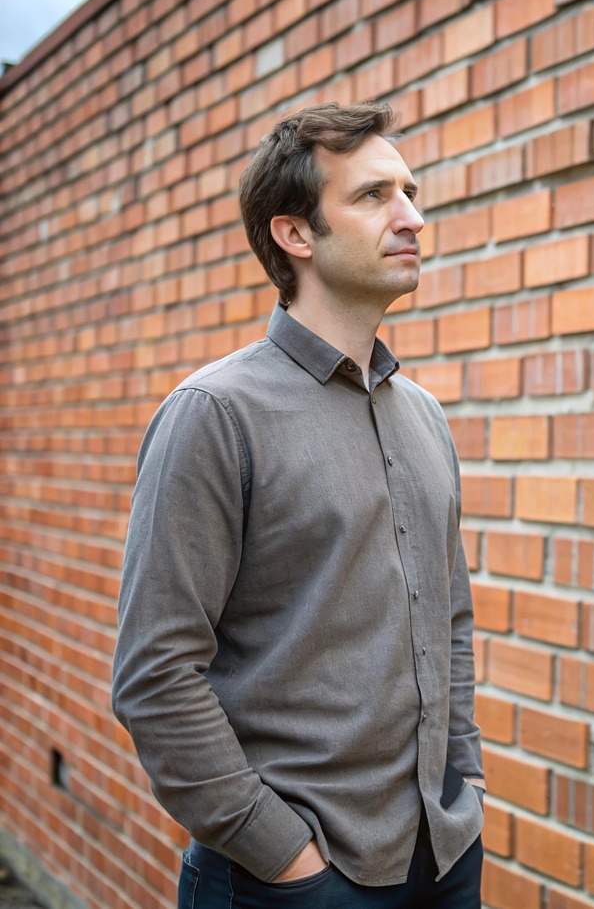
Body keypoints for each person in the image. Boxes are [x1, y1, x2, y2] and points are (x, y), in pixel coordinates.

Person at [111, 102, 484, 909]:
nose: (413, 217)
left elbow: (449, 621)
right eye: (375, 195)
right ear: (296, 235)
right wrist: (283, 858)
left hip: (445, 856)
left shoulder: (423, 417)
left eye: (411, 192)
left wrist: (466, 788)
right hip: (293, 880)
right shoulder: (214, 415)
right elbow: (155, 672)